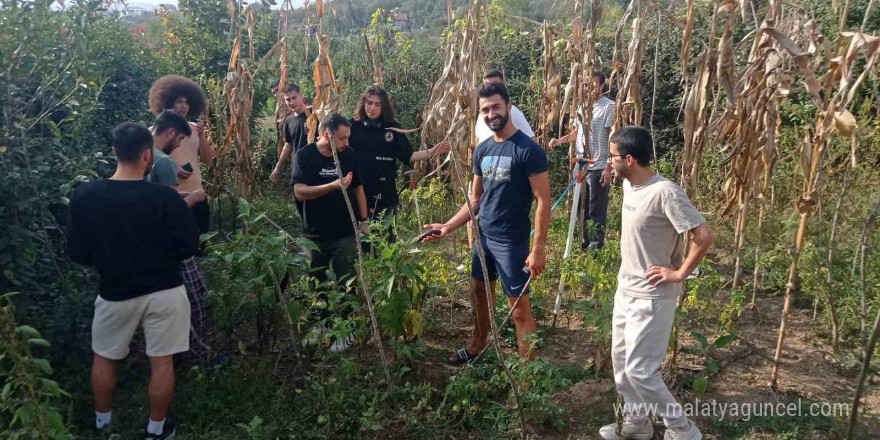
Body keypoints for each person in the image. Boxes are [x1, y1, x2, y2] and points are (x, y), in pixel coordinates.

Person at [67, 122, 199, 440]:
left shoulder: (85, 195)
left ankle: (103, 423)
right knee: (161, 361)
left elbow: (77, 252)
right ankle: (155, 429)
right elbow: (189, 246)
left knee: (105, 356)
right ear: (146, 155)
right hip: (165, 289)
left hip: (114, 291)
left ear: (114, 152)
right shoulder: (164, 198)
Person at [599, 126, 714, 440]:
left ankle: (683, 431)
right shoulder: (630, 186)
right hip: (626, 290)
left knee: (641, 370)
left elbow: (703, 236)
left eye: (613, 158)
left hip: (653, 296)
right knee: (622, 367)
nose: (609, 163)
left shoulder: (666, 192)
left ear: (631, 160)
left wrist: (679, 273)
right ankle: (637, 425)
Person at [424, 82, 550, 364]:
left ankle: (527, 380)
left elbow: (543, 200)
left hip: (511, 241)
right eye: (485, 110)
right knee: (479, 292)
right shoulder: (481, 151)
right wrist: (447, 226)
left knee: (519, 310)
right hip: (483, 237)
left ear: (509, 107)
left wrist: (538, 248)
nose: (491, 114)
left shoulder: (528, 150)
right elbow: (475, 200)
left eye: (495, 107)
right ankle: (476, 345)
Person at [291, 113, 368, 353]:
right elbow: (299, 192)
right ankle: (322, 325)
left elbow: (358, 188)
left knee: (347, 280)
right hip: (314, 233)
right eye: (342, 138)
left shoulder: (349, 155)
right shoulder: (305, 156)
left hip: (345, 231)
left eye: (347, 138)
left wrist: (363, 221)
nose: (346, 143)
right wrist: (332, 186)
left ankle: (347, 329)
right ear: (326, 135)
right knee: (317, 281)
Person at [148, 110, 211, 360]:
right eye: (180, 139)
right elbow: (169, 210)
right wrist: (194, 197)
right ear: (171, 132)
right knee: (196, 300)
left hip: (148, 243)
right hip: (170, 241)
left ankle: (169, 350)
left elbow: (155, 199)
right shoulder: (162, 161)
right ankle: (197, 355)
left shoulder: (139, 154)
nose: (180, 145)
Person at [348, 85, 449, 232]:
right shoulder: (352, 125)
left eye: (377, 104)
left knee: (387, 237)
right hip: (359, 191)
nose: (372, 108)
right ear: (363, 103)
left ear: (384, 106)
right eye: (369, 103)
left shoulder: (392, 127)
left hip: (386, 191)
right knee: (363, 242)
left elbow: (408, 156)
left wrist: (432, 152)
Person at [549, 71, 616, 249]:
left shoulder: (609, 107)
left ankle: (595, 248)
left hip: (598, 164)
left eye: (592, 84)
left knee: (596, 209)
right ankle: (583, 243)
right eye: (585, 85)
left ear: (602, 85)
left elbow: (612, 137)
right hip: (581, 165)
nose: (587, 88)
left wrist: (609, 167)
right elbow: (578, 132)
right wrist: (560, 140)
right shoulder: (582, 107)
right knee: (580, 207)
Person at [148, 75, 213, 234]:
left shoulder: (195, 129)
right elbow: (143, 165)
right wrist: (171, 167)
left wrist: (202, 137)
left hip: (197, 196)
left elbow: (208, 160)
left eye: (186, 102)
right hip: (171, 199)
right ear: (166, 102)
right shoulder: (152, 133)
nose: (183, 106)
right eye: (178, 101)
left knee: (201, 246)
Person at [474, 70, 536, 144]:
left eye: (495, 85)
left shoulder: (512, 112)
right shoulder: (483, 114)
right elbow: (478, 139)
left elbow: (533, 140)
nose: (491, 89)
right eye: (487, 85)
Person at [271, 83, 311, 182]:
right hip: (298, 166)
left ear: (301, 95)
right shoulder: (289, 120)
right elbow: (288, 144)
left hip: (317, 165)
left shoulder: (314, 115)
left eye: (294, 98)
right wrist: (277, 168)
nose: (292, 102)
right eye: (288, 100)